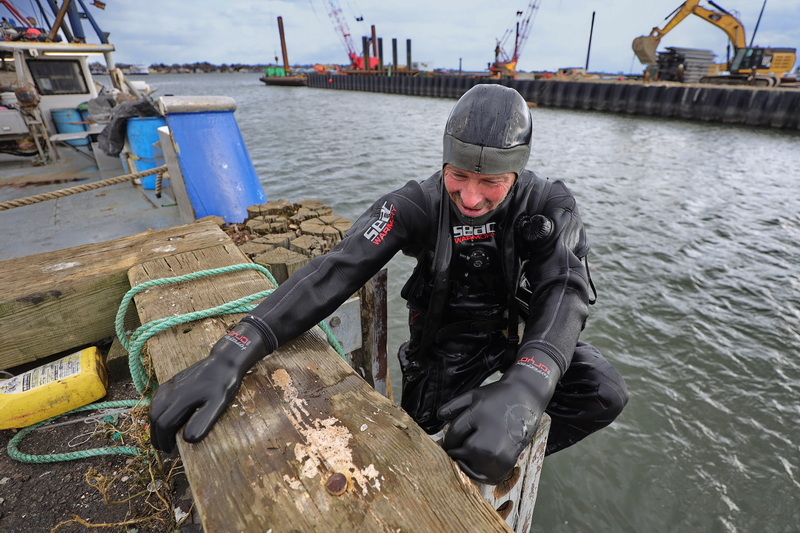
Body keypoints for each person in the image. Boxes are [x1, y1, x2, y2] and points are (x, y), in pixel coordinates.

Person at [149, 84, 628, 485]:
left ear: (517, 172)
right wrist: (234, 349)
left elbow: (565, 286)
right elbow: (336, 267)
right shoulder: (415, 204)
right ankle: (451, 482)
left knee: (602, 389)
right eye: (458, 176)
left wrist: (526, 385)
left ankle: (504, 455)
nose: (471, 197)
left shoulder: (547, 204)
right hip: (444, 350)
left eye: (491, 183)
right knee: (421, 450)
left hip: (515, 339)